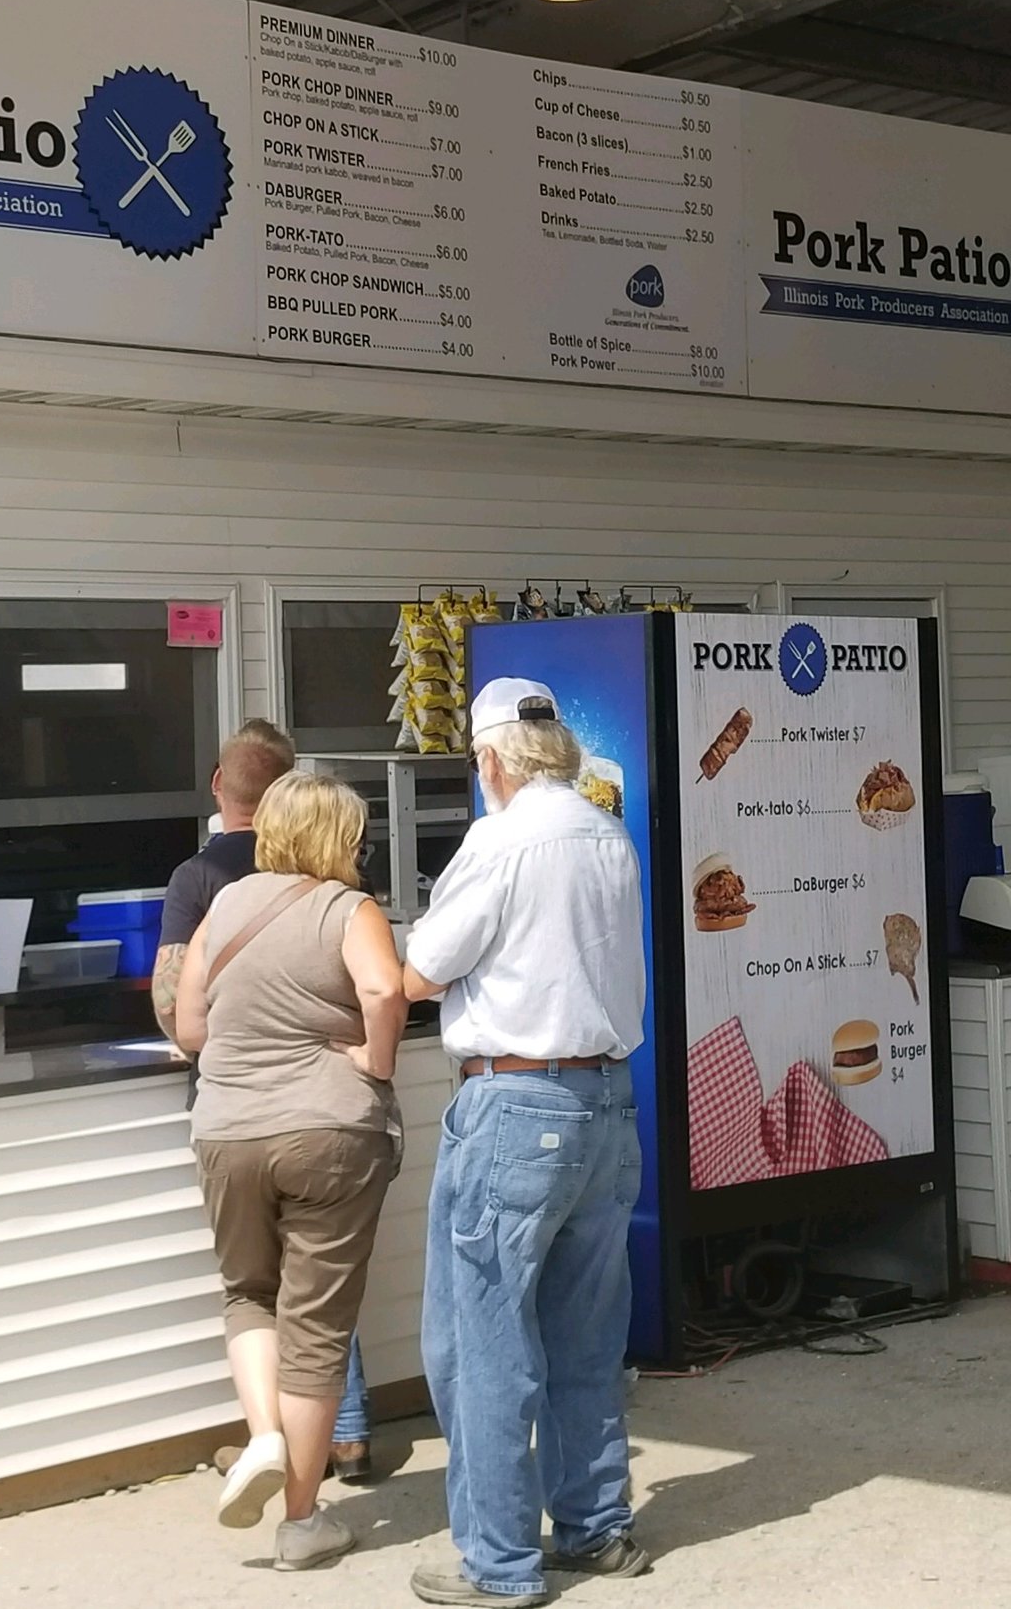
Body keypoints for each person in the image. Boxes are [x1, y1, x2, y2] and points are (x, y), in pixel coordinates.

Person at [400, 678, 649, 1606]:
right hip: (607, 1097)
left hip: (513, 1103)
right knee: (588, 1334)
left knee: (484, 1342)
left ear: (492, 758)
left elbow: (422, 972)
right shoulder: (607, 833)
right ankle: (596, 1527)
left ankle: (499, 1563)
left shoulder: (498, 839)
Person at [175, 770, 406, 1572]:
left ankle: (264, 1435)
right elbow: (383, 988)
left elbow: (191, 1023)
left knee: (249, 1293)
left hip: (227, 1130)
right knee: (317, 1326)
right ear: (344, 837)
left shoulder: (223, 905)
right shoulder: (350, 908)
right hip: (329, 1131)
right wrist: (372, 1059)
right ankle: (302, 1520)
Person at [155, 719, 298, 1043]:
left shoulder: (195, 876)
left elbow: (169, 1001)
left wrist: (199, 1048)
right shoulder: (323, 863)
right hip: (318, 1070)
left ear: (217, 780)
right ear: (286, 788)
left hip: (228, 1074)